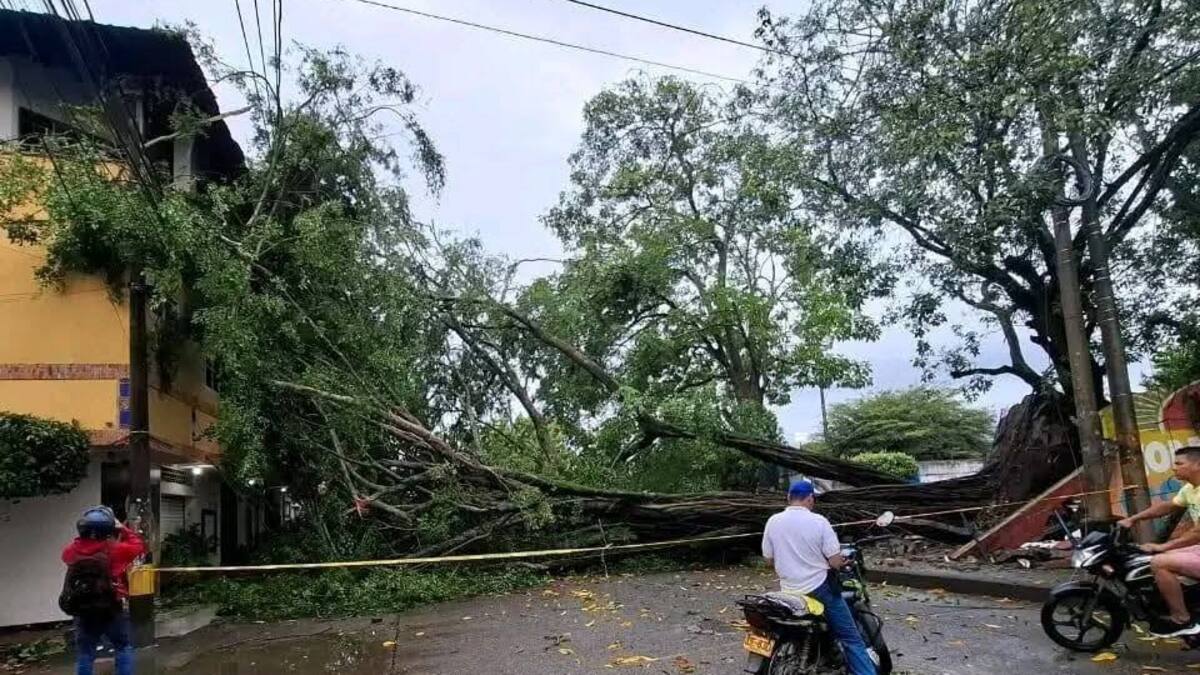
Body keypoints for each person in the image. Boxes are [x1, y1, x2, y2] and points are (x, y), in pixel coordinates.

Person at [762, 479, 876, 675]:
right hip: (818, 589)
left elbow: (768, 559)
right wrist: (842, 562)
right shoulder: (819, 522)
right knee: (851, 639)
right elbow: (834, 562)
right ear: (810, 499)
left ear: (789, 497)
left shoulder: (773, 521)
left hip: (788, 591)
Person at [1118, 445, 1200, 638]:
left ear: (1198, 465)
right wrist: (1133, 519)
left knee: (1159, 562)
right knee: (1155, 558)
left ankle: (1182, 619)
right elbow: (1167, 507)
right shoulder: (1190, 489)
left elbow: (1198, 532)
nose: (1174, 468)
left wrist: (1163, 546)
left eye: (1179, 463)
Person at [61, 506, 146, 675]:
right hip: (111, 606)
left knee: (85, 653)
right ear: (108, 528)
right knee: (122, 647)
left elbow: (66, 557)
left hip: (83, 608)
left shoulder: (71, 551)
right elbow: (138, 545)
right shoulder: (116, 549)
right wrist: (122, 528)